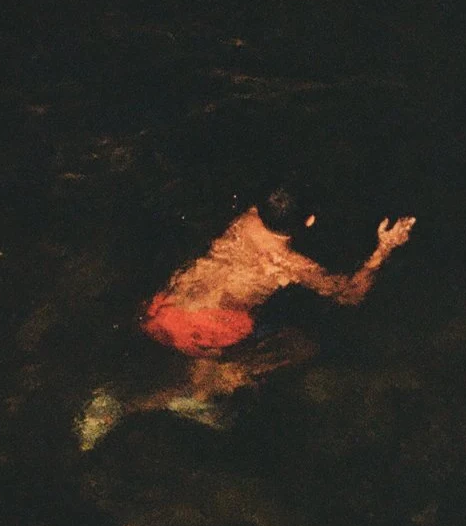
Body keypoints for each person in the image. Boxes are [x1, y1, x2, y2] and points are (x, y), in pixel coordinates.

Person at [77, 190, 415, 448]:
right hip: (203, 330)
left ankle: (159, 392)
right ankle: (149, 403)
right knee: (300, 347)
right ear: (310, 221)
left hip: (161, 310)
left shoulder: (245, 220)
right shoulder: (287, 264)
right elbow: (350, 295)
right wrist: (383, 249)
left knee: (204, 351)